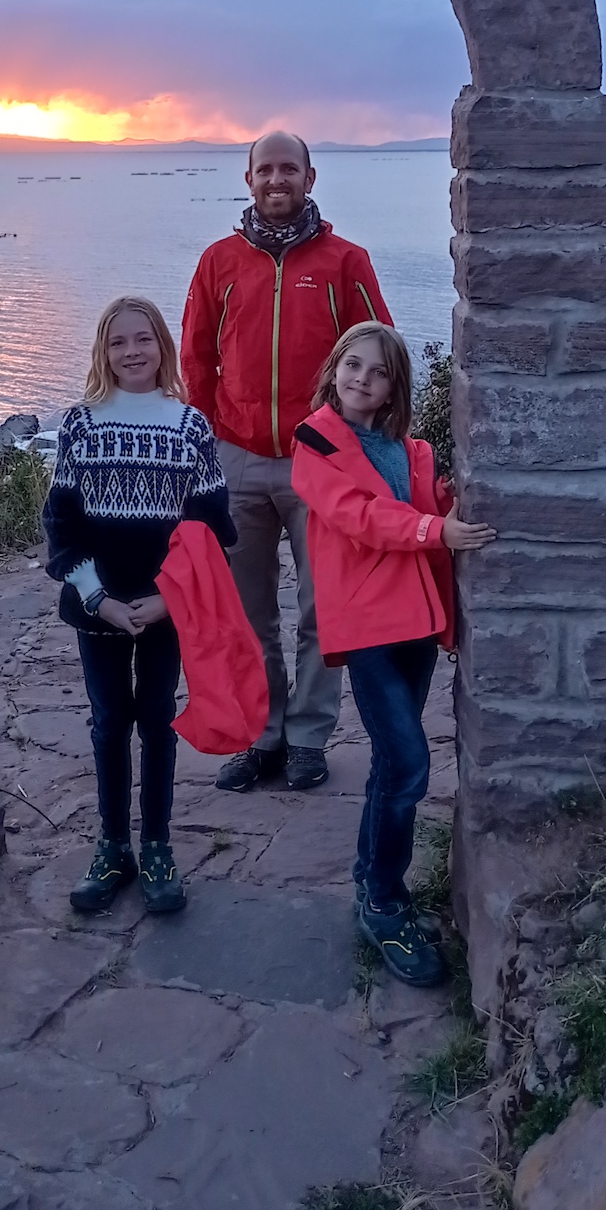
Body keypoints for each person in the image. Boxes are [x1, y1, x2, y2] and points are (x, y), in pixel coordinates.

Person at [181, 130, 392, 795]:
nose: (277, 180)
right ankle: (262, 734)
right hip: (237, 459)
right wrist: (208, 442)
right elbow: (195, 358)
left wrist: (357, 440)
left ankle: (307, 737)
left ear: (310, 177)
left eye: (289, 169)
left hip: (320, 465)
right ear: (248, 179)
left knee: (323, 609)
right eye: (266, 169)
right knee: (249, 615)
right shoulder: (218, 262)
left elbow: (379, 353)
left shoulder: (344, 261)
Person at [291, 322, 497, 986]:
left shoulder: (410, 450)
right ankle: (383, 900)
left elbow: (418, 503)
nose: (362, 379)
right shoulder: (314, 442)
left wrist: (448, 502)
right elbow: (359, 516)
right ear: (335, 368)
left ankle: (370, 881)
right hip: (369, 625)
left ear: (392, 388)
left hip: (416, 620)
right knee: (408, 763)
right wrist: (435, 528)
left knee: (390, 762)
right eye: (353, 364)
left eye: (378, 372)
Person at [43, 296, 235, 915]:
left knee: (156, 720)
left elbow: (210, 528)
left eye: (143, 339)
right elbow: (62, 523)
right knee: (109, 724)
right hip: (97, 607)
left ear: (163, 347)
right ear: (103, 351)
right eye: (119, 341)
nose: (132, 351)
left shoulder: (189, 426)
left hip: (164, 610)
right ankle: (112, 847)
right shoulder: (81, 425)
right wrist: (96, 597)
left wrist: (168, 600)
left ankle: (156, 847)